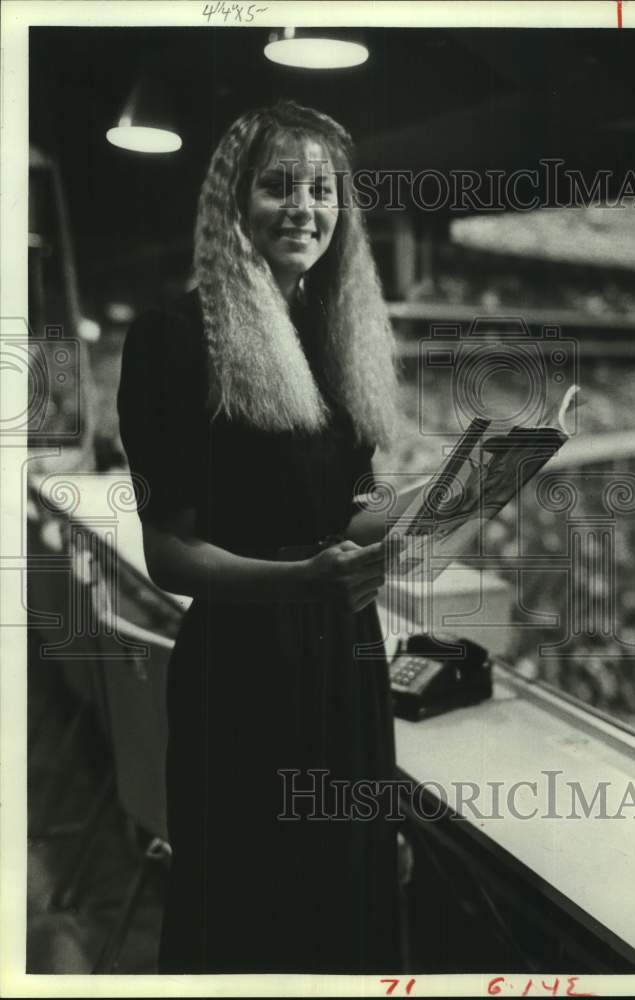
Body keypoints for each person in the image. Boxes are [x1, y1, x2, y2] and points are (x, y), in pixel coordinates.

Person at [117, 100, 405, 973]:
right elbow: (168, 554)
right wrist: (300, 581)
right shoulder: (174, 340)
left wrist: (442, 500)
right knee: (250, 920)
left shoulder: (335, 335)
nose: (304, 208)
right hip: (243, 676)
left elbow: (346, 511)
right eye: (279, 186)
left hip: (344, 663)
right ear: (233, 202)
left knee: (343, 907)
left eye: (321, 190)